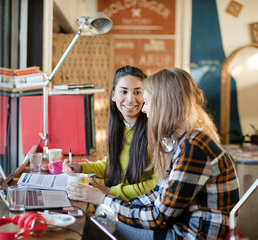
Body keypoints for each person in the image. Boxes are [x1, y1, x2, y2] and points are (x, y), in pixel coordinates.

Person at [67, 67, 240, 239]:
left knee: (94, 227)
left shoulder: (194, 147)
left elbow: (159, 218)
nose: (143, 109)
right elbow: (159, 193)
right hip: (183, 226)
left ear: (163, 105)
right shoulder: (186, 140)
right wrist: (105, 196)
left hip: (191, 234)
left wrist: (103, 199)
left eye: (147, 101)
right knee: (101, 221)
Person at [64, 65, 159, 202]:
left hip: (139, 207)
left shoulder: (156, 131)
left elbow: (157, 184)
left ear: (146, 96)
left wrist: (109, 191)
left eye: (137, 92)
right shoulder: (119, 126)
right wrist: (81, 167)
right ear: (113, 95)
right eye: (124, 92)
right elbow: (112, 165)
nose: (130, 99)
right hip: (116, 203)